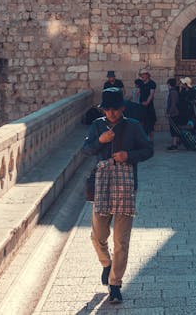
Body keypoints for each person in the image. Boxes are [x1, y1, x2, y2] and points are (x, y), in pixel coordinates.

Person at [82, 88, 153, 305]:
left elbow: (148, 150)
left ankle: (115, 284)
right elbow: (86, 150)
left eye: (115, 109)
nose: (111, 113)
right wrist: (101, 141)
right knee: (97, 236)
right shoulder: (97, 126)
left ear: (122, 108)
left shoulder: (133, 126)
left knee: (121, 240)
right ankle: (106, 263)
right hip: (102, 187)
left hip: (126, 187)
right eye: (108, 109)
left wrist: (128, 156)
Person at [134, 69, 157, 136]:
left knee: (150, 124)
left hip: (149, 106)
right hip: (141, 106)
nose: (141, 76)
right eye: (141, 75)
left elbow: (151, 94)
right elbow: (138, 92)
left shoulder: (152, 83)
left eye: (142, 75)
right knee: (141, 123)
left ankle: (151, 141)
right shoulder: (141, 83)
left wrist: (147, 102)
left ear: (147, 75)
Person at [165, 78, 181, 151]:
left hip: (174, 114)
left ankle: (174, 145)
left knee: (174, 129)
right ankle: (175, 143)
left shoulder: (173, 92)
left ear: (169, 84)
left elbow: (173, 104)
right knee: (174, 129)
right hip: (174, 113)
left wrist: (169, 113)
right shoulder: (173, 91)